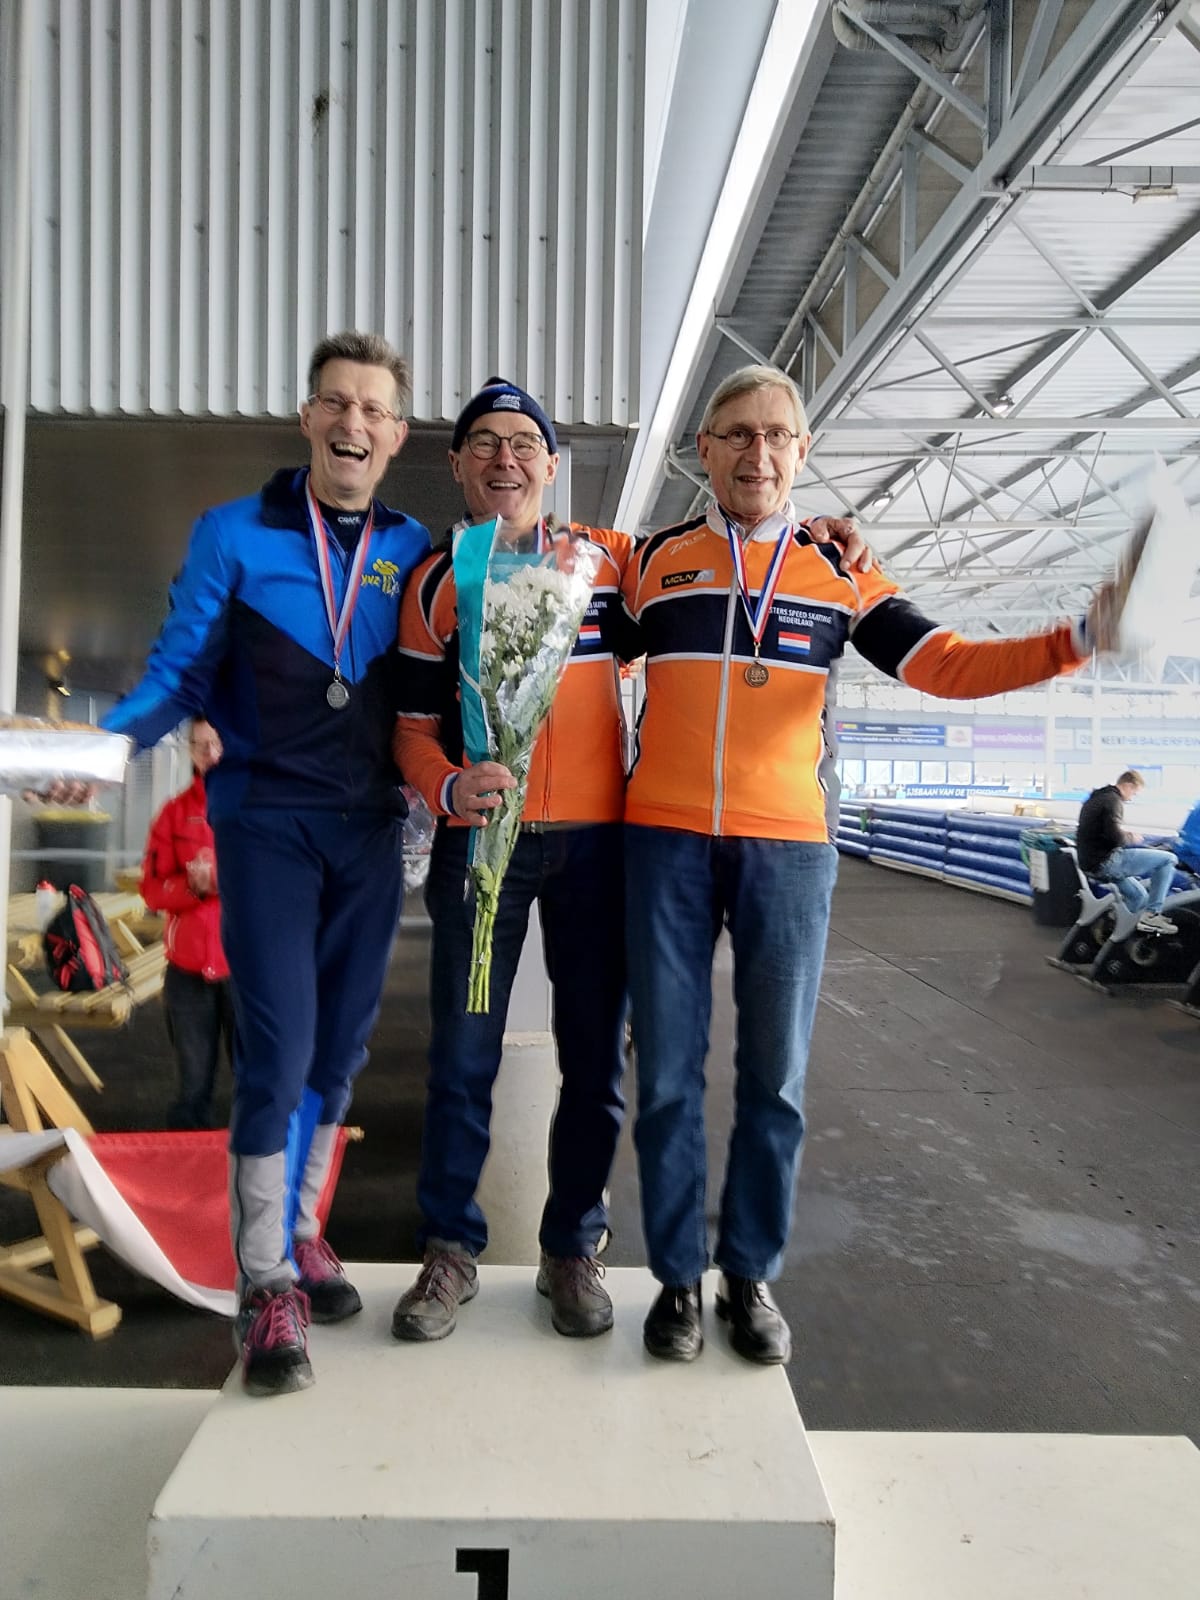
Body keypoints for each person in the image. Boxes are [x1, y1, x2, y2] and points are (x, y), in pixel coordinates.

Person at [620, 361, 1131, 1367]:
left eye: (777, 434)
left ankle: (750, 1273)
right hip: (663, 843)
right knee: (669, 1075)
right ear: (703, 450)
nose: (757, 452)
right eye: (737, 433)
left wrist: (1072, 640)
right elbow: (575, 636)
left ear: (802, 452)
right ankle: (677, 1276)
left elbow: (949, 665)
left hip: (789, 849)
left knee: (775, 1080)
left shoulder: (840, 572)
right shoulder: (650, 563)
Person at [101, 331, 432, 1397]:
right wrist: (104, 747)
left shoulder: (413, 546)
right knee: (280, 1047)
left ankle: (300, 1230)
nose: (352, 422)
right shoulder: (232, 533)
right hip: (267, 824)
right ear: (307, 418)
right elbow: (176, 674)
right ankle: (263, 1281)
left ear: (396, 434)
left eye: (372, 408)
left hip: (368, 829)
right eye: (335, 402)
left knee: (340, 1047)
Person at [390, 378, 638, 1343]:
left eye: (524, 442)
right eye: (485, 443)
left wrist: (824, 532)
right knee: (462, 1057)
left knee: (595, 1060)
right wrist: (448, 786)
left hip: (597, 848)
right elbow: (413, 727)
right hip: (480, 843)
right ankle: (449, 1247)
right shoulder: (437, 581)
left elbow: (717, 567)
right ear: (457, 464)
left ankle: (572, 1245)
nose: (506, 458)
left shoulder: (609, 563)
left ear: (553, 464)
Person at [140, 717, 234, 1129]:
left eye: (217, 743)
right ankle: (188, 1164)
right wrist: (193, 888)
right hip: (188, 970)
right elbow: (151, 889)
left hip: (246, 966)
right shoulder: (173, 814)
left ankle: (260, 1164)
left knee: (260, 1082)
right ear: (189, 750)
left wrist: (219, 879)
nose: (209, 753)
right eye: (199, 744)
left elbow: (275, 882)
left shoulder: (256, 810)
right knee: (192, 1088)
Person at [1075, 770, 1178, 933]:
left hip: (1089, 863)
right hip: (1106, 862)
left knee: (1139, 897)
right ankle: (1152, 914)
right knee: (1168, 859)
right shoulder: (1113, 801)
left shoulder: (1095, 798)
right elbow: (1115, 837)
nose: (1131, 798)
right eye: (1134, 793)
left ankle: (1112, 930)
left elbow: (1102, 831)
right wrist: (1131, 837)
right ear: (1128, 785)